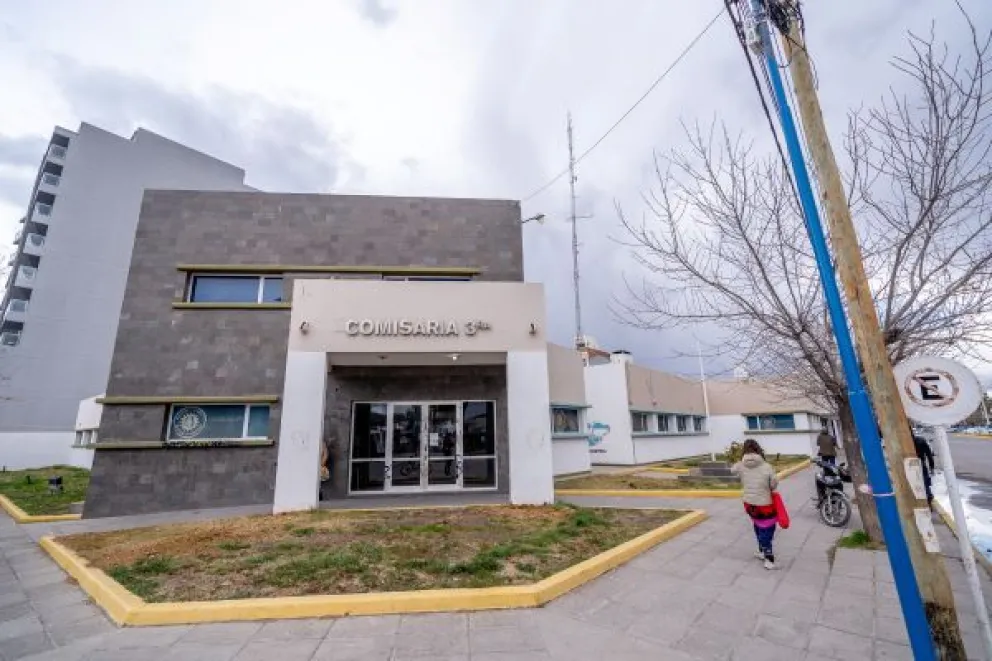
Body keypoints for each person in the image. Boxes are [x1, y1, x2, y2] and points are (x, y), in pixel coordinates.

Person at [731, 439, 780, 570]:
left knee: (757, 524)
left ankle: (761, 550)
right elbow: (773, 483)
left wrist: (740, 461)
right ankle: (769, 557)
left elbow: (732, 470)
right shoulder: (766, 466)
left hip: (749, 503)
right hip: (764, 503)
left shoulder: (741, 465)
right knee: (768, 528)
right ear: (759, 450)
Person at [914, 433, 936, 509]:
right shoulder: (921, 440)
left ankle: (923, 501)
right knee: (925, 483)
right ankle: (928, 500)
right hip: (921, 464)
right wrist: (932, 467)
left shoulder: (906, 441)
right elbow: (929, 455)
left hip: (910, 465)